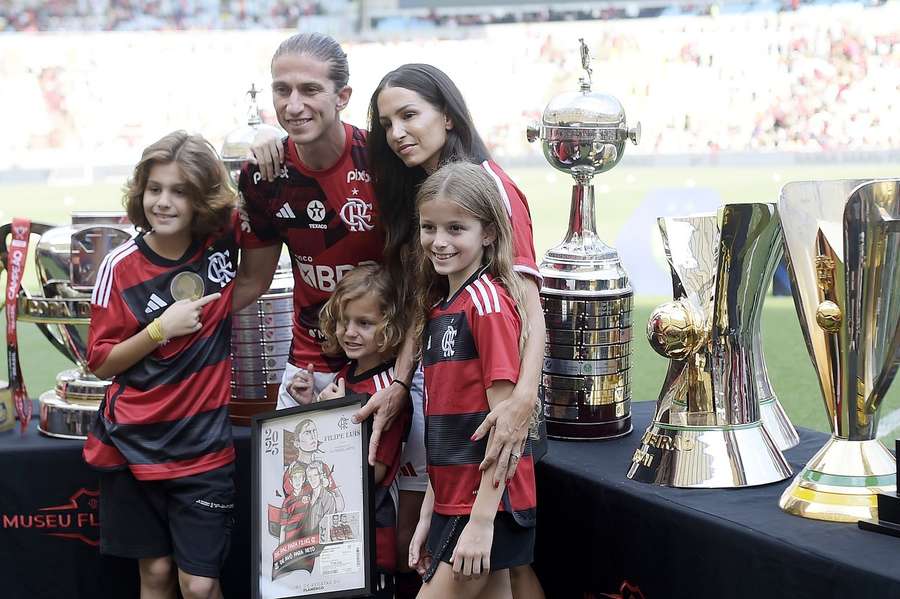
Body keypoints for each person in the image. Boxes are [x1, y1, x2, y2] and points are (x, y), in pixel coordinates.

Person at [82, 131, 241, 599]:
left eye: (180, 191)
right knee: (154, 575)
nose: (164, 202)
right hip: (133, 447)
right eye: (155, 189)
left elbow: (258, 255)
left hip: (204, 450)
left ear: (201, 199)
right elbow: (99, 362)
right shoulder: (120, 265)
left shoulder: (220, 246)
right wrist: (159, 330)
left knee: (199, 584)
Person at [409, 162, 538, 599]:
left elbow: (505, 430)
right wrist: (429, 512)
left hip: (484, 506)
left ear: (487, 233)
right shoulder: (443, 306)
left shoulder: (487, 304)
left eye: (456, 228)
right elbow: (447, 429)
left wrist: (482, 520)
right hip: (457, 502)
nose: (439, 241)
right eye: (430, 227)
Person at [288, 264, 418, 598]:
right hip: (334, 535)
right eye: (344, 321)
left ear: (390, 327)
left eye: (364, 323)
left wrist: (339, 414)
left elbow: (374, 472)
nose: (349, 332)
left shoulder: (386, 393)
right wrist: (311, 405)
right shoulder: (348, 372)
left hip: (370, 539)